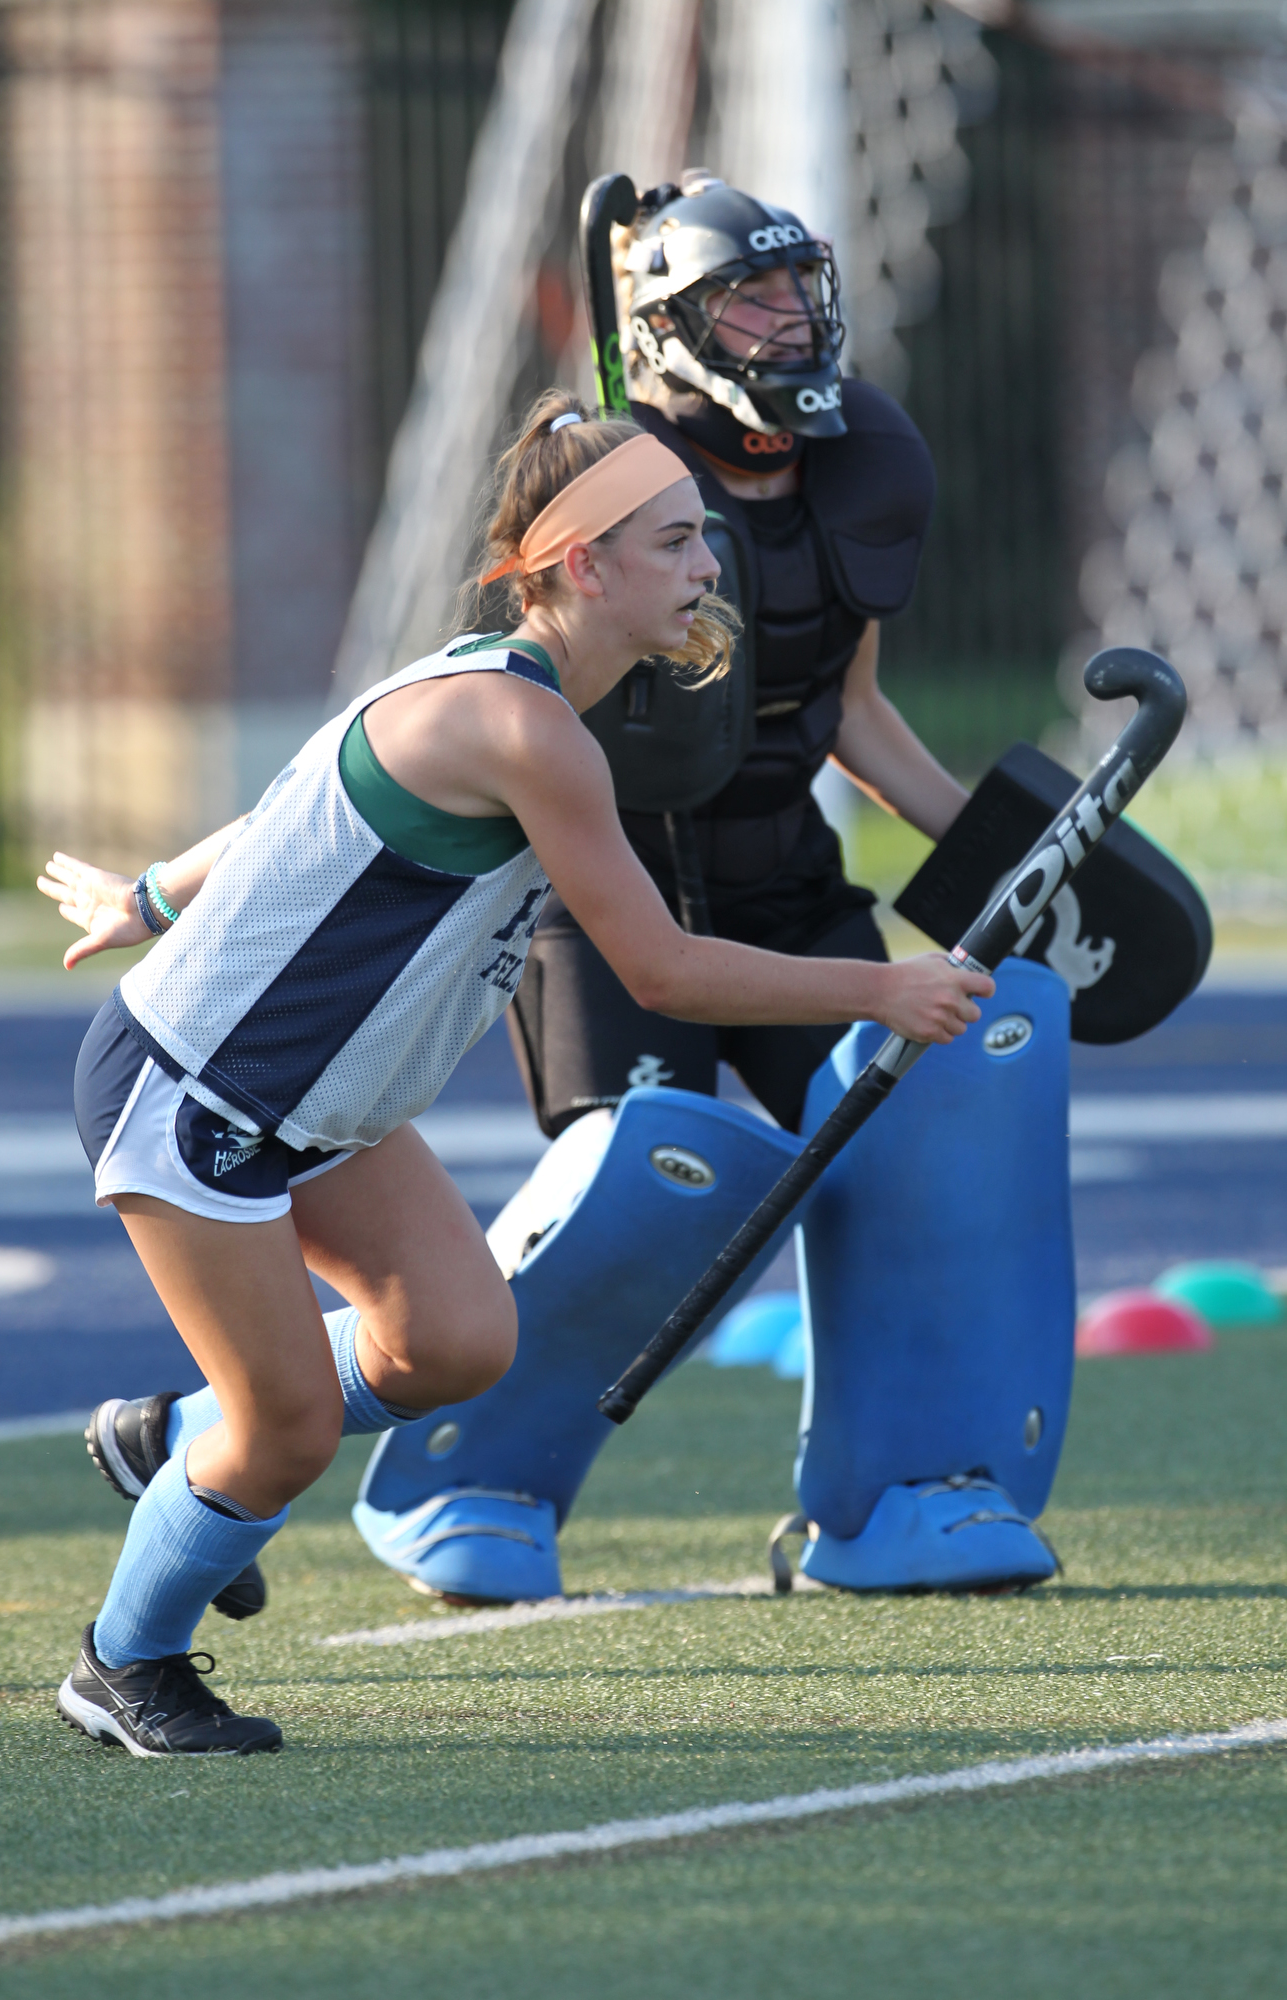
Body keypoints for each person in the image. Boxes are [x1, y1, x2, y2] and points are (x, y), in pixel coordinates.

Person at [41, 392, 991, 1756]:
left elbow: (288, 802)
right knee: (290, 1431)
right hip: (200, 1102)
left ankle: (170, 1438)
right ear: (584, 567)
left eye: (704, 541)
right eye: (676, 544)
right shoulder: (526, 728)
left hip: (324, 1099)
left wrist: (151, 892)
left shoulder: (528, 697)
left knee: (459, 1343)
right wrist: (883, 987)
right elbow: (660, 971)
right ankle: (122, 1663)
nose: (711, 568)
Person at [352, 177, 1072, 1605]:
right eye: (752, 294)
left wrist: (1009, 854)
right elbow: (510, 698)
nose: (791, 318)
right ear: (672, 326)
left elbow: (849, 713)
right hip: (621, 913)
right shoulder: (612, 494)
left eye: (801, 288)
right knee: (645, 1183)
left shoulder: (857, 471)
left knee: (928, 1138)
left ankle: (907, 1494)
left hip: (793, 896)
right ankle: (477, 1474)